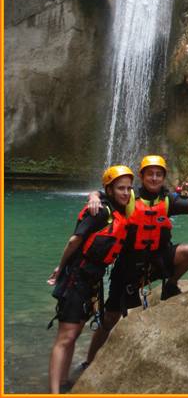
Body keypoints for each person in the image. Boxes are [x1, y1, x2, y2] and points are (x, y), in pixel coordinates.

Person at [85, 155, 188, 364]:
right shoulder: (128, 197)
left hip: (157, 260)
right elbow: (104, 193)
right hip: (129, 264)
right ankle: (89, 361)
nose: (154, 178)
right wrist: (93, 196)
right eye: (150, 174)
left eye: (159, 174)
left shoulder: (168, 200)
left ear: (163, 178)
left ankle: (171, 285)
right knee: (111, 317)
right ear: (142, 176)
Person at [47, 165, 132, 394]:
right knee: (66, 336)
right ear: (110, 189)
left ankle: (64, 383)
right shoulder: (100, 212)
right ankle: (55, 390)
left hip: (91, 281)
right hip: (76, 277)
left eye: (128, 188)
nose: (125, 192)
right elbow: (74, 241)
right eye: (120, 188)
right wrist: (60, 267)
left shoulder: (118, 210)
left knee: (73, 334)